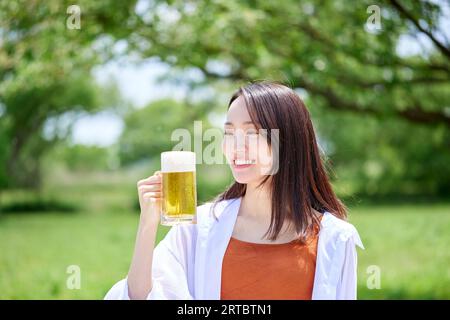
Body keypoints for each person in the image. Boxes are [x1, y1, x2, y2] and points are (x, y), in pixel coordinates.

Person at [104, 81, 364, 300]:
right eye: (229, 133)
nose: (236, 146)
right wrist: (147, 225)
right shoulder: (198, 227)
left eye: (251, 133)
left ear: (288, 141)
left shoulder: (335, 239)